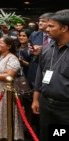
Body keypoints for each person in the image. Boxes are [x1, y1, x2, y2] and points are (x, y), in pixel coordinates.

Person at [32, 10, 69, 141]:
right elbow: (39, 74)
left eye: (51, 26)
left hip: (65, 109)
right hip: (46, 104)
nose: (47, 29)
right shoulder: (47, 49)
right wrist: (36, 99)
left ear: (64, 28)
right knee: (46, 136)